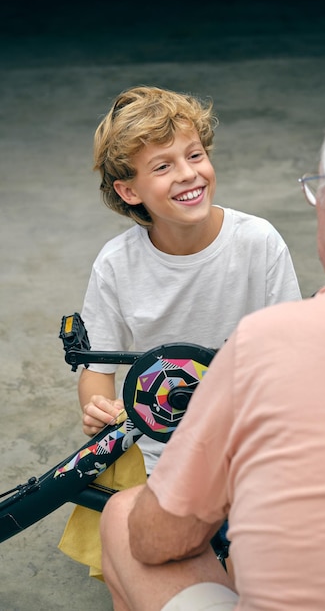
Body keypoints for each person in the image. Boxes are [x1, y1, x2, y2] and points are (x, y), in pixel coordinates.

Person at [99, 84, 325, 611]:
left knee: (126, 517)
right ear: (128, 189)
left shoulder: (266, 341)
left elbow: (160, 539)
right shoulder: (118, 264)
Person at [58, 85, 301, 578]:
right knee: (150, 567)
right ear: (129, 191)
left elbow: (292, 359)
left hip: (246, 445)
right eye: (163, 166)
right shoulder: (116, 265)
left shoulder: (258, 243)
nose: (189, 173)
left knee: (246, 575)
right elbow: (96, 370)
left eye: (195, 155)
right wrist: (97, 405)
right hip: (155, 451)